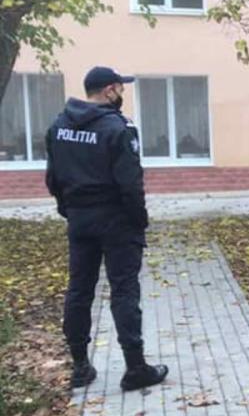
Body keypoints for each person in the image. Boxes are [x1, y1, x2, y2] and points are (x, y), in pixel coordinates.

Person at [46, 67, 169, 391]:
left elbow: (53, 179)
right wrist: (139, 220)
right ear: (109, 90)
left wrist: (70, 210)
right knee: (124, 290)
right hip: (117, 221)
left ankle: (80, 367)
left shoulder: (59, 126)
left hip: (80, 220)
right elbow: (131, 183)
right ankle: (135, 368)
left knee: (79, 290)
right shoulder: (118, 128)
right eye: (120, 89)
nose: (122, 95)